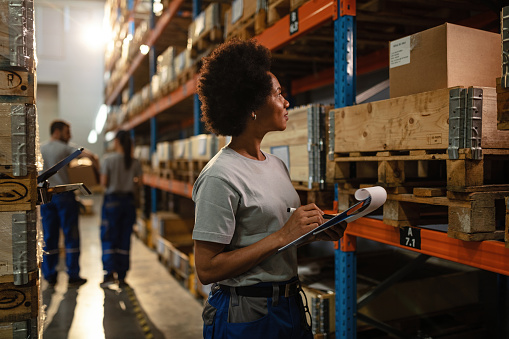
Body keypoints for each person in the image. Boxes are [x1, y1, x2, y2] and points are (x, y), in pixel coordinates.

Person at [192, 38, 348, 339]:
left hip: (288, 305)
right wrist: (284, 235)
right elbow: (207, 269)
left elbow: (271, 240)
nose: (286, 101)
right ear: (253, 107)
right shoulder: (220, 176)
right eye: (278, 94)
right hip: (246, 315)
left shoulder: (276, 164)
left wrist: (311, 231)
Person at [40, 120, 98, 287]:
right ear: (57, 132)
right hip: (64, 196)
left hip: (45, 197)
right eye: (67, 132)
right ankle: (73, 275)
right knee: (71, 235)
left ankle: (50, 276)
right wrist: (96, 165)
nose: (70, 136)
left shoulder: (41, 149)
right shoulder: (65, 148)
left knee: (50, 236)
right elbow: (89, 156)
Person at [99, 130, 142, 287]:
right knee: (125, 237)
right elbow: (139, 183)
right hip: (128, 203)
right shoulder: (134, 161)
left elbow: (104, 183)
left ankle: (110, 274)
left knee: (109, 237)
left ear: (116, 141)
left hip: (112, 202)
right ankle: (122, 276)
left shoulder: (108, 160)